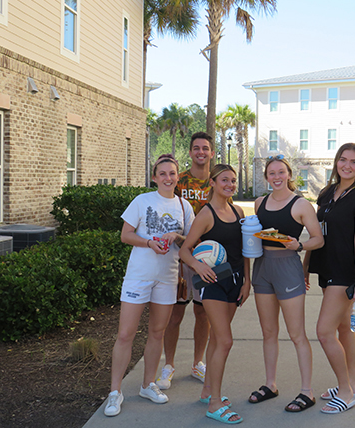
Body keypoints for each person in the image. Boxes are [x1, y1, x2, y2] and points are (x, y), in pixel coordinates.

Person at [104, 154, 195, 417]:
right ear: (154, 177)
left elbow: (189, 240)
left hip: (167, 277)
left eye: (172, 173)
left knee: (157, 333)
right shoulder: (142, 201)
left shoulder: (184, 205)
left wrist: (177, 236)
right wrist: (149, 242)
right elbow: (125, 235)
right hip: (138, 276)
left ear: (178, 177)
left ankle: (148, 384)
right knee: (125, 334)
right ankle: (114, 392)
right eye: (162, 173)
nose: (168, 178)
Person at [303, 143, 355, 414]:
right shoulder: (327, 193)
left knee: (324, 332)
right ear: (336, 162)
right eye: (343, 160)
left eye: (354, 161)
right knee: (343, 330)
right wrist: (306, 265)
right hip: (326, 269)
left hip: (344, 274)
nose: (347, 165)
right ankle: (352, 385)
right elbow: (317, 234)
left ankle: (346, 392)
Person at [248, 154, 324, 412]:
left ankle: (307, 391)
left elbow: (318, 239)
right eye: (272, 173)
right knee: (269, 332)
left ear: (289, 175)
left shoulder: (301, 205)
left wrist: (299, 244)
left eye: (281, 172)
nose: (277, 177)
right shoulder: (259, 203)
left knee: (296, 334)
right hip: (263, 268)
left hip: (288, 268)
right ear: (266, 177)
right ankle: (270, 384)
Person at [179, 164, 250, 424]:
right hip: (213, 284)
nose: (230, 184)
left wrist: (247, 282)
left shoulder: (237, 210)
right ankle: (216, 404)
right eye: (224, 180)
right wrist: (197, 265)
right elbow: (185, 250)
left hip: (235, 282)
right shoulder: (206, 215)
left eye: (233, 180)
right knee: (225, 340)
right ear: (213, 182)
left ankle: (208, 390)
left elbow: (244, 251)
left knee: (218, 340)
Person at [157, 132, 214, 390]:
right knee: (175, 313)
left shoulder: (217, 182)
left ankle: (197, 363)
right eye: (196, 148)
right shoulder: (179, 182)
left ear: (212, 153)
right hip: (178, 257)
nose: (201, 152)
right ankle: (168, 364)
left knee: (203, 312)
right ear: (189, 152)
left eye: (205, 148)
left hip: (207, 258)